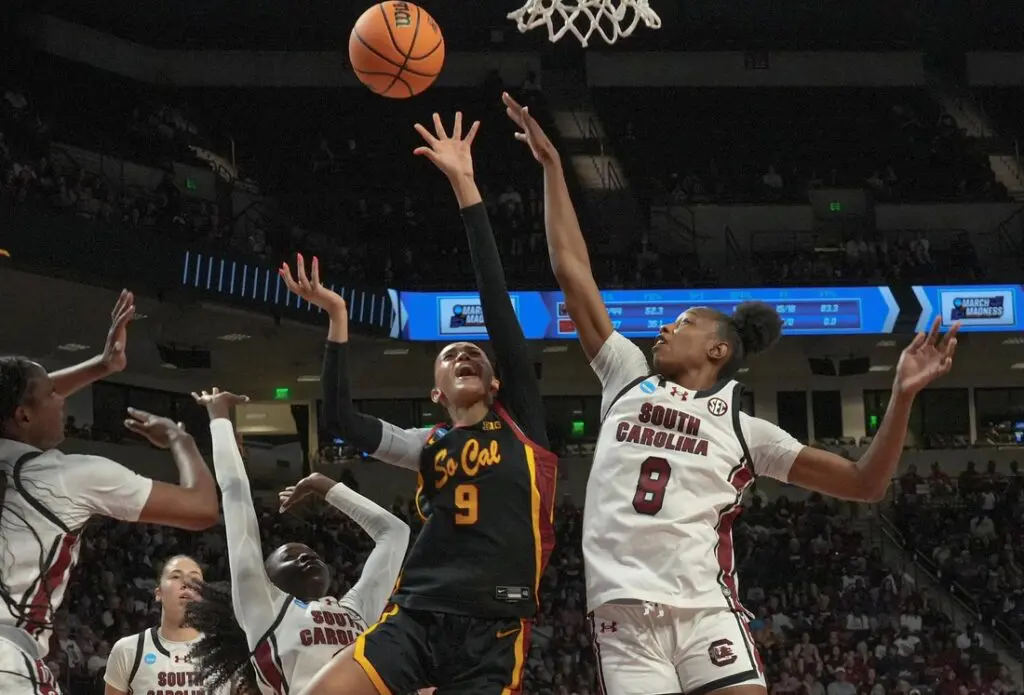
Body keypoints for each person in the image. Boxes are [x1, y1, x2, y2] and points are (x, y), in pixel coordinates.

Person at [502, 92, 960, 695]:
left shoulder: (748, 430)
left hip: (705, 613)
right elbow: (571, 270)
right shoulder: (625, 376)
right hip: (623, 618)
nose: (665, 327)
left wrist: (900, 396)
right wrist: (554, 170)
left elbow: (865, 484)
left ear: (719, 350)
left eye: (684, 322)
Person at [282, 112, 557, 695]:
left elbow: (496, 302)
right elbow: (340, 422)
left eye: (475, 355)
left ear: (497, 381)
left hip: (493, 627)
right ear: (435, 392)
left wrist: (465, 184)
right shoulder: (426, 445)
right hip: (415, 617)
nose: (465, 355)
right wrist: (337, 319)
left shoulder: (524, 428)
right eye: (451, 355)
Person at [0, 290, 220, 694]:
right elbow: (203, 508)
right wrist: (180, 439)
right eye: (52, 394)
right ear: (23, 415)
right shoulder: (68, 474)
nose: (62, 400)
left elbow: (17, 401)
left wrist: (103, 365)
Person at [185, 388, 409, 694]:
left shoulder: (355, 611)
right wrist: (219, 418)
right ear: (267, 577)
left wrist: (324, 485)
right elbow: (236, 500)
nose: (307, 556)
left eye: (310, 552)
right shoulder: (264, 607)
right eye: (289, 554)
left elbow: (395, 533)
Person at [104, 555, 232, 695]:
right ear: (158, 593)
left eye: (194, 578)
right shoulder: (127, 650)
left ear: (203, 594)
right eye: (176, 576)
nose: (186, 583)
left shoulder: (226, 652)